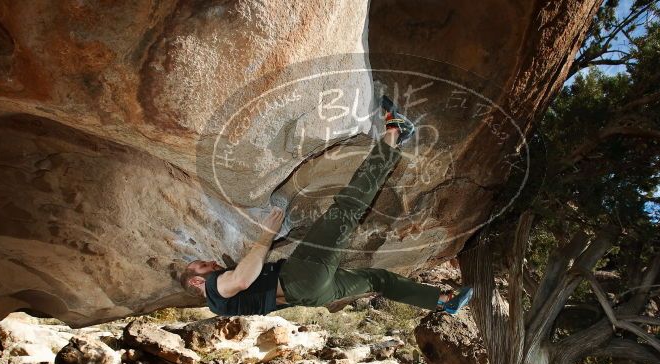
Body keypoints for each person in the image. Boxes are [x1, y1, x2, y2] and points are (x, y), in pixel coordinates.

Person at [179, 96, 474, 317]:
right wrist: (267, 235)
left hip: (312, 294)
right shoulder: (216, 286)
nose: (213, 264)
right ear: (196, 280)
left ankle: (443, 302)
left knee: (379, 280)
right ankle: (394, 132)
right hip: (302, 279)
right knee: (347, 206)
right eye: (204, 265)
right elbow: (242, 279)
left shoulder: (221, 307)